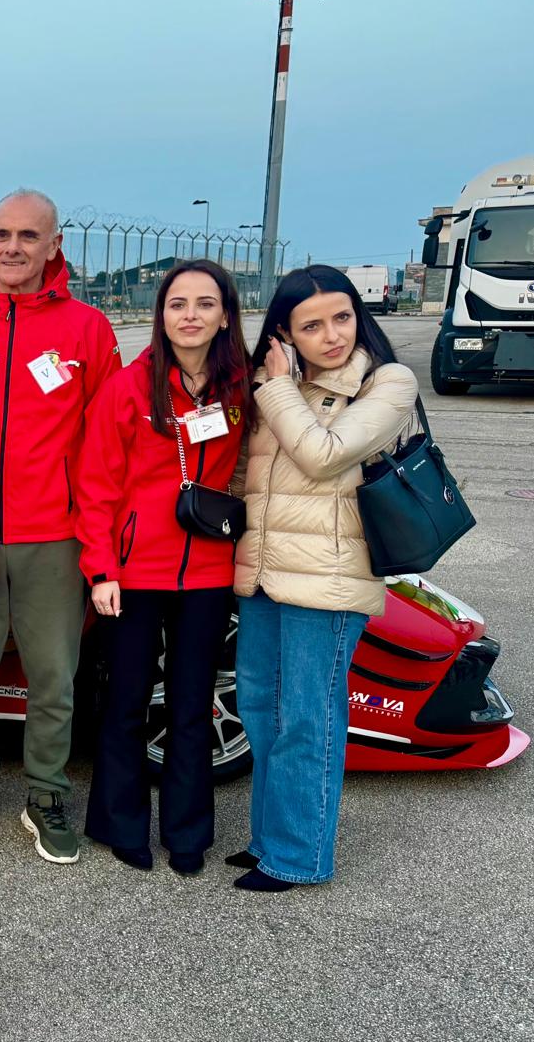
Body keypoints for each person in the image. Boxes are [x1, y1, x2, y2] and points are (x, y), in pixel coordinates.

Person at [0, 189, 119, 862]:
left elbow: (105, 448)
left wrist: (97, 546)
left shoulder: (89, 331)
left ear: (54, 245)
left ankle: (45, 793)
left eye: (27, 236)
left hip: (54, 539)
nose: (12, 247)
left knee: (52, 679)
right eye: (1, 234)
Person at [229, 265, 417, 892]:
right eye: (312, 325)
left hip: (329, 583)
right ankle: (266, 840)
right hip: (263, 578)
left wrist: (275, 390)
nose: (333, 335)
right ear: (285, 332)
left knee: (309, 717)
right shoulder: (275, 386)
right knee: (261, 712)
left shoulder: (385, 383)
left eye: (342, 318)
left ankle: (299, 856)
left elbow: (323, 455)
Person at [75, 260, 250, 875]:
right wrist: (101, 570)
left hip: (206, 571)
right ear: (161, 314)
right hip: (132, 572)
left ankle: (187, 833)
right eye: (178, 304)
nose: (191, 315)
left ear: (225, 314)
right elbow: (95, 484)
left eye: (205, 304)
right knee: (124, 703)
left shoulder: (240, 389)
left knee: (190, 704)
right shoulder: (129, 387)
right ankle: (121, 826)